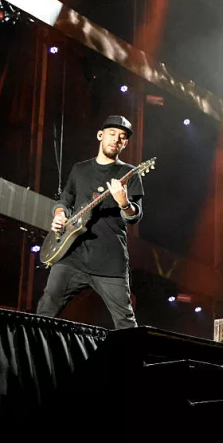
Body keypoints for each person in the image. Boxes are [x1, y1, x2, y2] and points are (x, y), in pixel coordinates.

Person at [36, 115, 144, 329]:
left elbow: (134, 216)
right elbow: (65, 199)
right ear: (100, 135)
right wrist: (59, 214)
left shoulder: (129, 174)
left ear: (125, 144)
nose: (116, 139)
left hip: (109, 261)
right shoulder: (80, 169)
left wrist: (123, 203)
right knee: (45, 311)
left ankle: (131, 361)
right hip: (72, 255)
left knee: (125, 324)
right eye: (112, 134)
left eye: (122, 137)